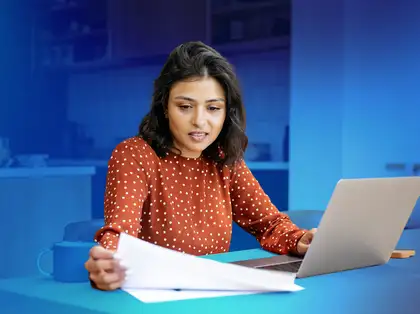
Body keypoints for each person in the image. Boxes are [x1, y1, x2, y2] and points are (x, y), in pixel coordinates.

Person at [84, 41, 316, 291]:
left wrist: (301, 239)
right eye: (185, 107)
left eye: (213, 108)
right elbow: (120, 235)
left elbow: (269, 224)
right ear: (165, 108)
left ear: (227, 112)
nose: (199, 121)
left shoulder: (224, 159)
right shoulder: (135, 155)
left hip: (210, 294)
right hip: (151, 297)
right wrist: (108, 263)